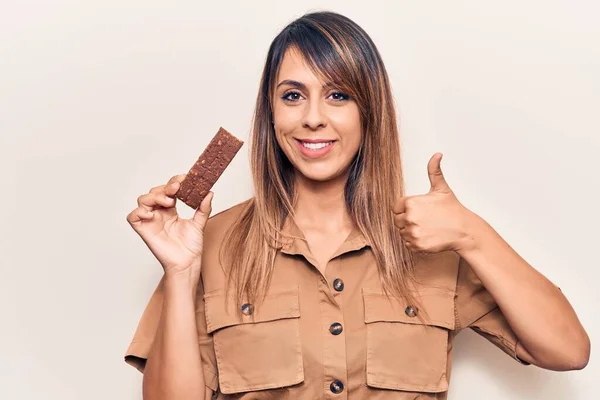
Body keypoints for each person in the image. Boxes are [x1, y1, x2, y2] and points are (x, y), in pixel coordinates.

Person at [124, 11, 590, 400]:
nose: (312, 118)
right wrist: (180, 273)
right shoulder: (210, 244)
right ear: (271, 114)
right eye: (292, 96)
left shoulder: (434, 237)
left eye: (338, 95)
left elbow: (568, 352)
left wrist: (473, 234)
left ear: (369, 111)